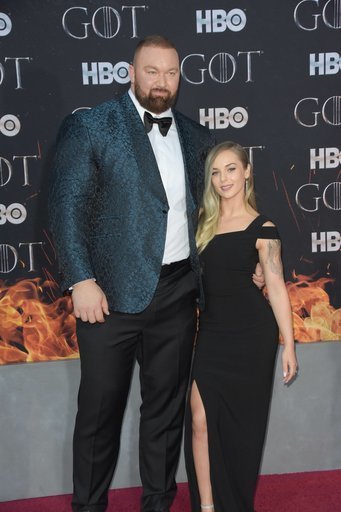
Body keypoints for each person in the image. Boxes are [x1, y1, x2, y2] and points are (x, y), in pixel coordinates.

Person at [49, 36, 263, 512]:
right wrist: (81, 279)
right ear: (131, 72)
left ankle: (158, 505)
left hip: (178, 293)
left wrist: (251, 266)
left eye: (171, 73)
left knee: (165, 416)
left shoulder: (195, 136)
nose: (162, 82)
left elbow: (219, 214)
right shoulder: (91, 125)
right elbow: (66, 207)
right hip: (106, 299)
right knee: (98, 415)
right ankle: (88, 508)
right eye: (152, 71)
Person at [184, 141, 298, 512]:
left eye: (231, 169)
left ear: (247, 172)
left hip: (252, 337)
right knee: (199, 418)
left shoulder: (264, 228)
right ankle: (206, 506)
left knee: (242, 431)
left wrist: (290, 345)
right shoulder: (200, 220)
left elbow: (277, 288)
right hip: (212, 335)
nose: (223, 178)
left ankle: (234, 502)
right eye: (215, 172)